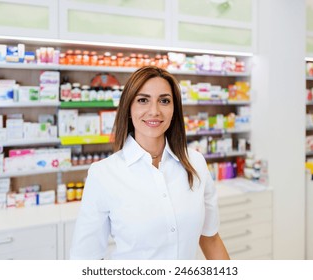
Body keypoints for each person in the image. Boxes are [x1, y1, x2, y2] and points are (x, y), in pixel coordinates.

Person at [70, 66, 230, 260]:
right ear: (129, 107)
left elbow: (210, 239)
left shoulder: (195, 163)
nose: (154, 111)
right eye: (143, 100)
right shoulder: (103, 174)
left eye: (164, 101)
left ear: (174, 110)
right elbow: (85, 259)